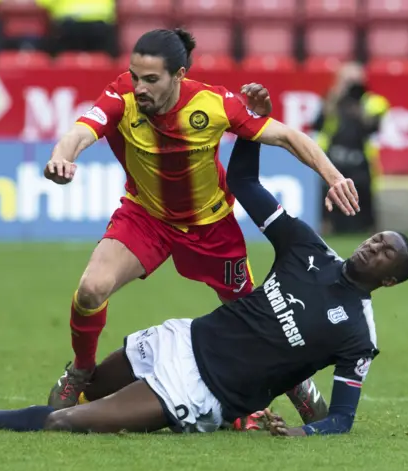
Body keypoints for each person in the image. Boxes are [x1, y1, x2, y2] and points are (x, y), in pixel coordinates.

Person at [0, 136, 408, 436]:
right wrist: (252, 130)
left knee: (65, 425)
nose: (374, 245)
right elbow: (244, 186)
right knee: (73, 398)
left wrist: (303, 433)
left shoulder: (358, 333)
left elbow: (342, 420)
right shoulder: (308, 248)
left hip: (198, 389)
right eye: (377, 239)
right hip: (182, 339)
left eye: (386, 251)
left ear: (388, 280)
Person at [43, 28, 358, 426]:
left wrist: (333, 176)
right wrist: (62, 158)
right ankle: (81, 370)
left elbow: (286, 135)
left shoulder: (213, 103)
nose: (139, 87)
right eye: (135, 76)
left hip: (211, 229)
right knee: (91, 289)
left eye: (151, 79)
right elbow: (79, 132)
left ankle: (298, 385)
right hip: (146, 218)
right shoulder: (121, 96)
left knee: (253, 318)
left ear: (179, 76)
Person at [312, 62, 390, 234]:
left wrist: (358, 103)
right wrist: (336, 97)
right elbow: (318, 125)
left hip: (360, 158)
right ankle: (325, 231)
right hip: (334, 157)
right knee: (328, 198)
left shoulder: (374, 102)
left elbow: (372, 127)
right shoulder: (331, 99)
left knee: (366, 201)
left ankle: (373, 235)